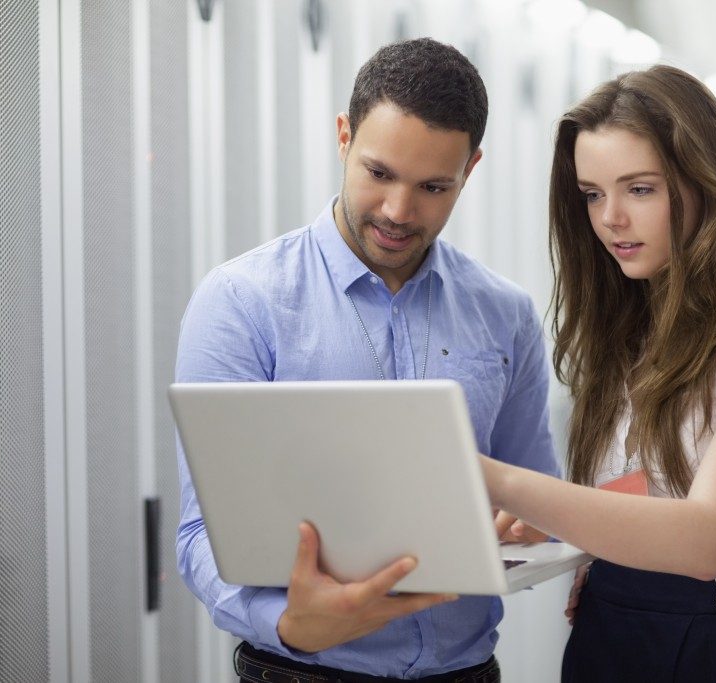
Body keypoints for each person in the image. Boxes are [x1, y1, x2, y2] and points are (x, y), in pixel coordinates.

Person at [175, 38, 558, 682]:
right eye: (379, 173)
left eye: (434, 186)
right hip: (299, 668)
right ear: (344, 137)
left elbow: (538, 503)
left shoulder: (506, 314)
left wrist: (529, 523)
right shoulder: (243, 300)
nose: (399, 212)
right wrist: (288, 623)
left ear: (471, 169)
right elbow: (199, 535)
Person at [479, 64, 716, 681]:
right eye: (593, 194)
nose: (610, 219)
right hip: (614, 627)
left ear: (705, 180)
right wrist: (578, 530)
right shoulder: (630, 320)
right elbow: (658, 479)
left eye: (639, 189)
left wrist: (501, 482)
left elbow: (708, 537)